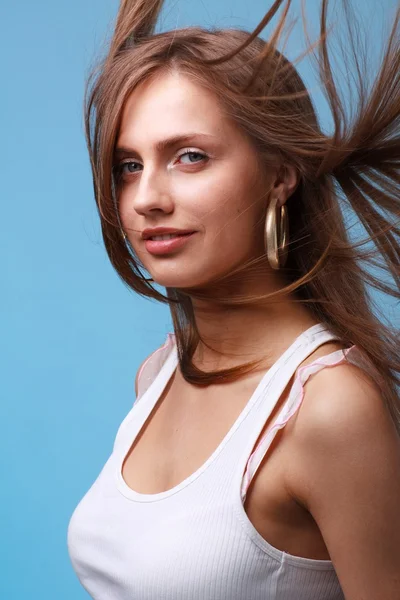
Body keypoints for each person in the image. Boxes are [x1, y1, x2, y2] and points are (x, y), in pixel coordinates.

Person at [67, 1, 400, 598]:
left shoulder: (327, 409)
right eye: (127, 165)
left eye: (189, 156)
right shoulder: (158, 375)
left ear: (279, 174)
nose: (147, 197)